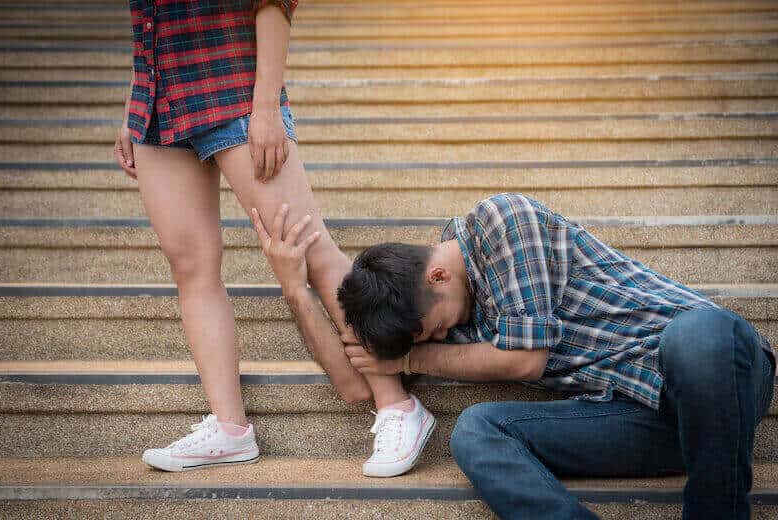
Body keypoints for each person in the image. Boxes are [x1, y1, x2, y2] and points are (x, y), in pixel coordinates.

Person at [113, 0, 434, 476]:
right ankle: (230, 429)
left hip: (234, 91)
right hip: (159, 104)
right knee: (190, 266)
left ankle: (397, 406)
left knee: (307, 245)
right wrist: (135, 104)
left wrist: (266, 104)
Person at [332, 192, 776, 519]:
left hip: (717, 381)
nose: (441, 336)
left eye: (435, 328)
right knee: (476, 430)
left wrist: (412, 362)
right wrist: (296, 284)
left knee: (699, 331)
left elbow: (527, 359)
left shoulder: (500, 221)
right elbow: (352, 373)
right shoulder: (445, 306)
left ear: (439, 275)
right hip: (638, 418)